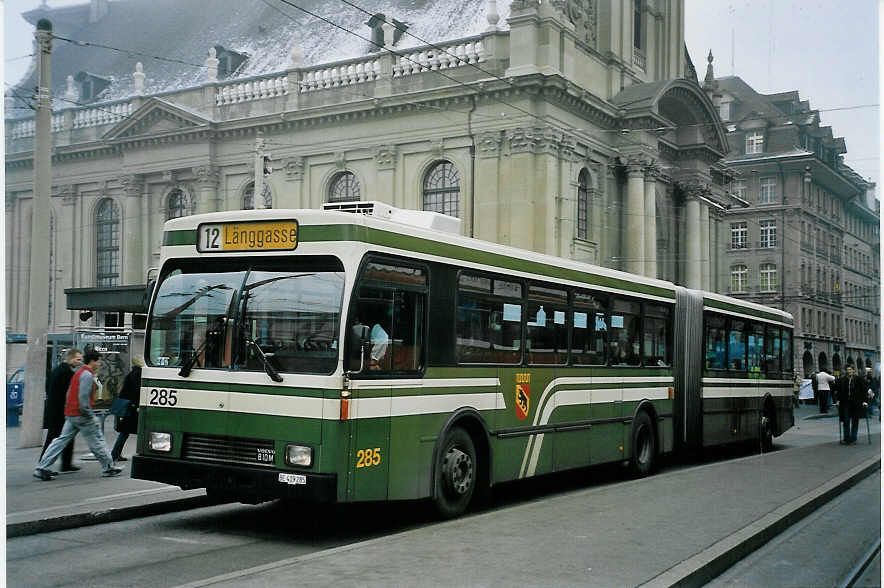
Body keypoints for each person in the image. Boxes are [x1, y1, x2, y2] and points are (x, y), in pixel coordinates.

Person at [34, 351, 122, 480]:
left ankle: (42, 467)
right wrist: (90, 415)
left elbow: (70, 393)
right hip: (82, 415)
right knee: (96, 441)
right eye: (98, 361)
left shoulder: (79, 373)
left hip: (71, 413)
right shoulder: (86, 375)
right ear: (92, 361)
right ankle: (108, 467)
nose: (99, 363)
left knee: (60, 441)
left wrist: (69, 409)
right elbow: (83, 398)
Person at [40, 348, 84, 475]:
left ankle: (65, 464)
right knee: (54, 439)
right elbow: (69, 394)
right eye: (78, 359)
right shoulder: (67, 373)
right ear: (70, 359)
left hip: (54, 409)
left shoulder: (57, 370)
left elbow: (48, 387)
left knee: (65, 437)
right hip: (60, 411)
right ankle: (44, 465)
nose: (79, 362)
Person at [111, 356, 143, 462]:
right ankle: (116, 453)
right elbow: (137, 391)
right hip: (132, 407)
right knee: (131, 431)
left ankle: (116, 453)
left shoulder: (132, 373)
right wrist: (137, 405)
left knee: (125, 432)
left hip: (129, 406)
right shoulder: (138, 373)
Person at [835, 365, 867, 445]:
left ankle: (853, 438)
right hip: (845, 403)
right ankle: (846, 438)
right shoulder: (842, 380)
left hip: (856, 403)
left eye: (850, 369)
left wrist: (864, 401)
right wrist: (838, 400)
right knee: (846, 420)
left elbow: (864, 390)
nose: (849, 371)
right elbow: (839, 391)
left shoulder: (858, 379)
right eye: (847, 370)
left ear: (853, 370)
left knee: (855, 421)